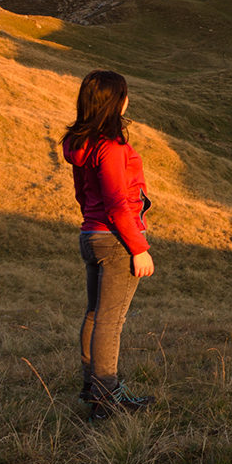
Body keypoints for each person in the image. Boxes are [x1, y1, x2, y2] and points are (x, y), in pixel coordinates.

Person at [62, 70, 155, 420]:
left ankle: (93, 389)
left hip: (91, 235)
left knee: (95, 313)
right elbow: (117, 204)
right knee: (110, 320)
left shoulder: (81, 144)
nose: (128, 99)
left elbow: (82, 194)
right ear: (115, 101)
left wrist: (95, 224)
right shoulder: (110, 147)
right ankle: (106, 398)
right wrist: (138, 248)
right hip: (115, 241)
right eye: (124, 94)